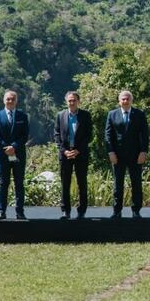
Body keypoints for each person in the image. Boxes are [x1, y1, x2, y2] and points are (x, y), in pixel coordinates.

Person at [105, 90, 149, 219]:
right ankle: (117, 211)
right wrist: (110, 152)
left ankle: (136, 211)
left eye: (127, 99)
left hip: (136, 155)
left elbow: (144, 135)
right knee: (118, 185)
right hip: (117, 155)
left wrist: (143, 152)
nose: (125, 101)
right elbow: (108, 135)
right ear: (119, 101)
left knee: (136, 184)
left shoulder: (139, 114)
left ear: (131, 100)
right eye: (123, 99)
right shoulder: (112, 114)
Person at [53, 91, 92, 220]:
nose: (72, 102)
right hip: (65, 154)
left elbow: (89, 135)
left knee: (82, 183)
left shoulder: (85, 116)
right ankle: (65, 211)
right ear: (66, 102)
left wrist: (78, 150)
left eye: (74, 100)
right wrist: (64, 151)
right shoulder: (60, 115)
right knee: (65, 183)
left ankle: (82, 211)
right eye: (69, 100)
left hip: (80, 154)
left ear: (78, 101)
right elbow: (57, 135)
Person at [0, 90, 29, 220]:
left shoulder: (23, 116)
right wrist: (6, 147)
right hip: (2, 155)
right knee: (3, 183)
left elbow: (25, 136)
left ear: (16, 100)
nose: (10, 101)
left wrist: (14, 147)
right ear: (4, 100)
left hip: (18, 155)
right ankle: (1, 211)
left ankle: (20, 212)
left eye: (13, 99)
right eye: (8, 99)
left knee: (19, 183)